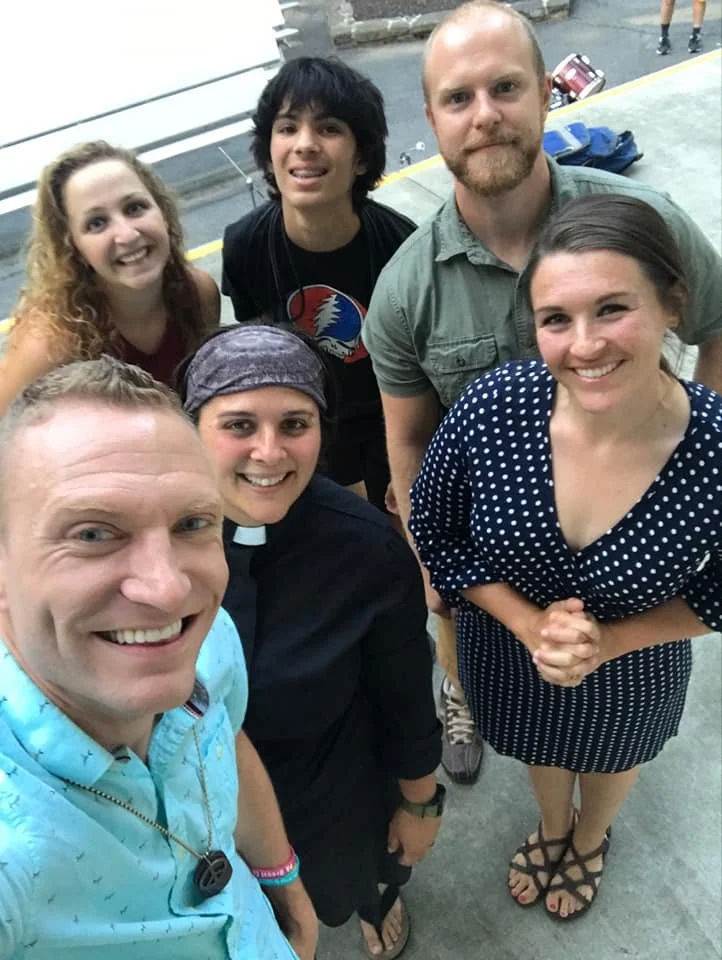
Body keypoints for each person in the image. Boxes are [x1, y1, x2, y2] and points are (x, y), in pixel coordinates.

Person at [361, 0, 722, 787]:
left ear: (546, 93)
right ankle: (464, 692)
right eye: (458, 99)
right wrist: (437, 574)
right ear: (432, 117)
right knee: (498, 688)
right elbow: (412, 439)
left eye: (505, 88)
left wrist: (693, 458)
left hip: (626, 549)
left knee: (620, 718)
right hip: (497, 551)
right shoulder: (404, 292)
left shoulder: (643, 220)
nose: (484, 116)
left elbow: (717, 323)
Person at [408, 193, 722, 922]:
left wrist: (609, 641)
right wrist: (525, 625)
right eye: (557, 320)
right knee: (537, 746)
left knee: (613, 758)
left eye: (612, 308)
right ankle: (553, 826)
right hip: (509, 648)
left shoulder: (713, 447)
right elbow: (436, 526)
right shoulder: (492, 408)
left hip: (639, 657)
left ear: (672, 305)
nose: (584, 345)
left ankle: (590, 836)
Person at [0, 357, 318, 959]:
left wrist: (282, 883)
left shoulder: (205, 637)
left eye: (192, 523)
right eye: (93, 533)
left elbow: (227, 734)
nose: (168, 589)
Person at [178, 323, 443, 959]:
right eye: (239, 425)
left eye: (294, 424)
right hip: (202, 814)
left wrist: (421, 805)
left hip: (334, 798)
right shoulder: (153, 544)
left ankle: (377, 900)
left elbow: (405, 695)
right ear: (191, 430)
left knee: (359, 877)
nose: (269, 452)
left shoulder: (368, 549)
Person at [221, 57, 416, 513]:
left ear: (361, 156)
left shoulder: (402, 246)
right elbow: (264, 362)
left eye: (328, 128)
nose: (304, 145)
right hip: (308, 429)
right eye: (287, 128)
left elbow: (420, 379)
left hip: (392, 418)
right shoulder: (246, 247)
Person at [0, 141, 220, 414]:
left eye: (135, 208)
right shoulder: (49, 342)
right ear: (73, 246)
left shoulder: (199, 294)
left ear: (162, 212)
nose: (127, 235)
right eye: (97, 223)